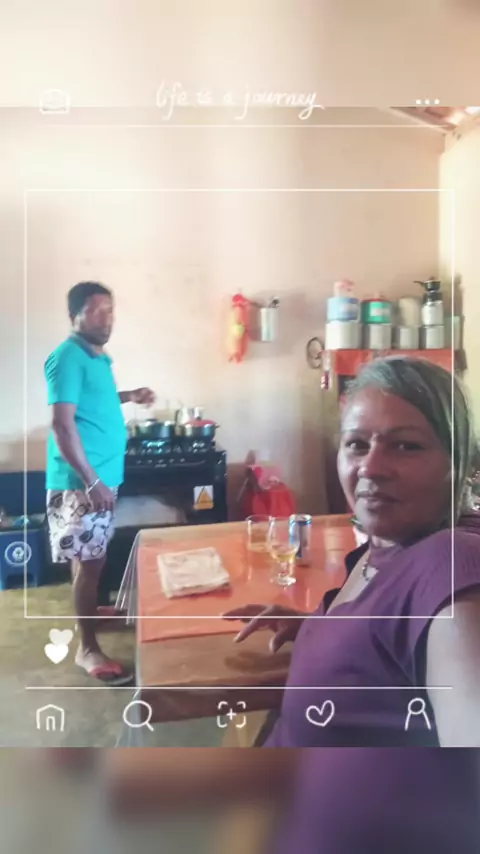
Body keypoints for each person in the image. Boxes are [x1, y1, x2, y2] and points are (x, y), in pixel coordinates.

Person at [226, 356, 480, 748]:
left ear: (461, 461)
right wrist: (321, 628)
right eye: (357, 444)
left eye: (406, 446)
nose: (370, 468)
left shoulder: (451, 566)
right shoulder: (391, 541)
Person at [45, 281, 155, 685]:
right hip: (82, 483)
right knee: (90, 565)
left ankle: (89, 613)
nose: (106, 319)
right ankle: (87, 648)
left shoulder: (97, 356)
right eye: (95, 311)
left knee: (91, 558)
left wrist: (130, 395)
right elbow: (62, 424)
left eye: (109, 310)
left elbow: (95, 400)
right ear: (74, 315)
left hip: (100, 478)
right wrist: (92, 482)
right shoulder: (67, 357)